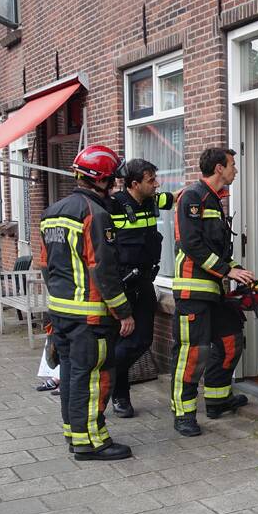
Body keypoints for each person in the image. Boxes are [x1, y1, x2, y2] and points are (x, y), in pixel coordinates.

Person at [40, 145, 136, 461]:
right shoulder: (96, 215)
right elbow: (103, 269)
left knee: (71, 375)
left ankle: (74, 432)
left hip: (61, 312)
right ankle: (92, 442)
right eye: (113, 181)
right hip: (90, 318)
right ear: (102, 179)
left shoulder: (51, 213)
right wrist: (123, 312)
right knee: (95, 377)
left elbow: (45, 265)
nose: (115, 187)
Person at [169, 147, 256, 437]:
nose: (235, 170)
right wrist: (227, 271)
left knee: (232, 340)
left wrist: (238, 271)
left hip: (215, 290)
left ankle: (218, 400)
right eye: (232, 165)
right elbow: (192, 245)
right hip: (192, 292)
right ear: (219, 168)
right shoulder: (192, 197)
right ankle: (184, 414)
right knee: (193, 353)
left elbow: (216, 248)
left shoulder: (215, 201)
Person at [108, 158, 175, 417]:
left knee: (143, 339)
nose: (156, 185)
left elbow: (177, 197)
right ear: (134, 184)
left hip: (145, 281)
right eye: (151, 181)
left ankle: (108, 370)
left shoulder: (151, 201)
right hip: (121, 284)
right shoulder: (112, 206)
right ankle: (120, 397)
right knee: (121, 338)